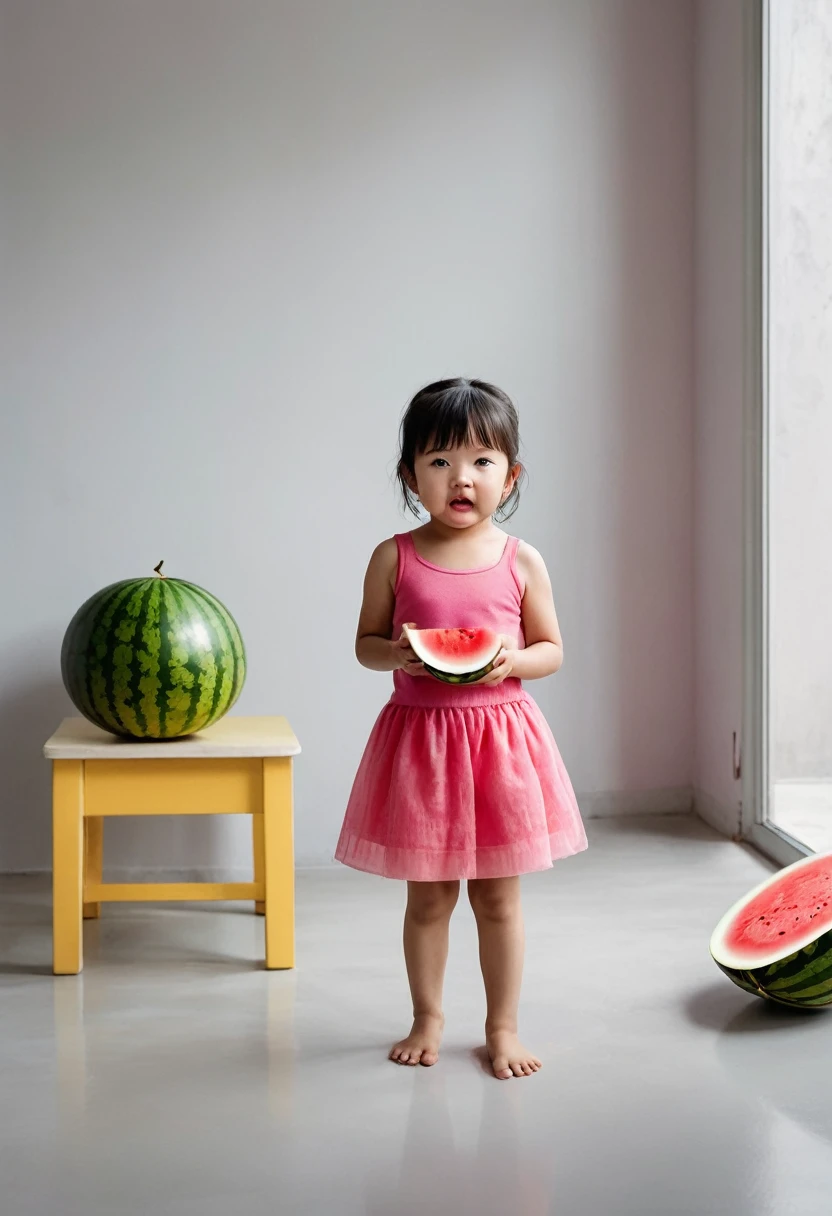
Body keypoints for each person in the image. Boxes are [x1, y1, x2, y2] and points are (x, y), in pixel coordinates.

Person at [335, 377, 588, 1079]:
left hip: (501, 745)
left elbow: (552, 650)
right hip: (422, 744)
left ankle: (502, 1027)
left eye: (481, 460)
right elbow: (363, 644)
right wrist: (399, 651)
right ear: (410, 475)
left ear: (511, 476)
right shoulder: (395, 556)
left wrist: (508, 660)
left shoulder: (521, 559)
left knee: (500, 899)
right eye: (439, 461)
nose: (461, 478)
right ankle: (427, 1017)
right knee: (429, 897)